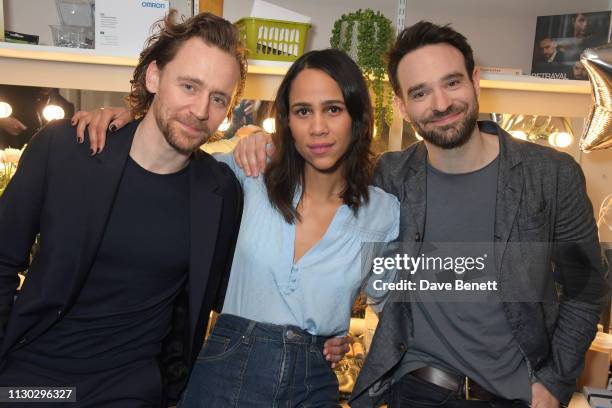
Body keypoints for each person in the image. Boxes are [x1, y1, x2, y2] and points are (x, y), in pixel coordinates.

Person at [232, 21, 608, 408]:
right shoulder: (389, 177)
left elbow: (585, 291)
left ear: (475, 80)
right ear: (402, 106)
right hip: (416, 390)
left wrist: (554, 384)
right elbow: (324, 233)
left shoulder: (549, 175)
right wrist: (261, 142)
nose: (441, 104)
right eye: (420, 92)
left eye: (452, 83)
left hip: (518, 395)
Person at [71, 48, 399, 407]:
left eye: (333, 109)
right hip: (226, 373)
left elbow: (397, 311)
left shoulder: (383, 214)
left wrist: (343, 341)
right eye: (303, 111)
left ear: (357, 115)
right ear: (287, 120)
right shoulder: (248, 174)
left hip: (314, 384)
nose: (318, 127)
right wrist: (126, 124)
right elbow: (168, 156)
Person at [0, 11, 245, 407]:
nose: (201, 110)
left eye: (218, 98)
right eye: (188, 86)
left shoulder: (219, 190)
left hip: (130, 389)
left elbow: (227, 294)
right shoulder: (66, 149)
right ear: (154, 77)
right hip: (33, 380)